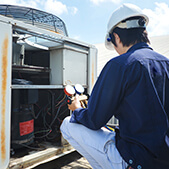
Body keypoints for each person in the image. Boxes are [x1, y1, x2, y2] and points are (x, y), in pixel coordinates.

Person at [60, 3, 169, 169]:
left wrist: (77, 110)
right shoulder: (166, 63)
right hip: (163, 159)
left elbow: (94, 120)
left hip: (135, 160)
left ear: (116, 37)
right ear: (144, 33)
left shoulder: (120, 65)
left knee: (67, 124)